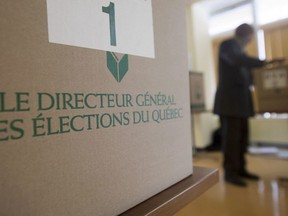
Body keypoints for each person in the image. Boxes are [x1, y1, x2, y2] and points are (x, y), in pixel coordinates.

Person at [213, 23, 269, 187]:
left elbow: (247, 76)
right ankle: (230, 172)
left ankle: (241, 169)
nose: (251, 40)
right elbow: (237, 60)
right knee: (231, 139)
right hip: (230, 104)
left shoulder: (241, 53)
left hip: (242, 105)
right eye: (251, 37)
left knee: (243, 139)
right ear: (247, 35)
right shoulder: (228, 46)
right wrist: (263, 62)